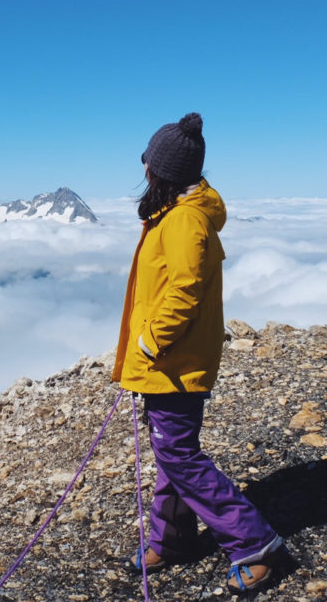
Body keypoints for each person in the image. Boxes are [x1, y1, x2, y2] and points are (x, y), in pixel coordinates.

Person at [111, 112, 283, 596]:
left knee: (180, 457)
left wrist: (150, 342)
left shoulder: (185, 219)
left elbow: (184, 289)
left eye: (148, 160)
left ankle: (255, 543)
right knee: (171, 454)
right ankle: (172, 540)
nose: (144, 167)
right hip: (169, 363)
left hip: (175, 364)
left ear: (157, 168)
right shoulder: (174, 213)